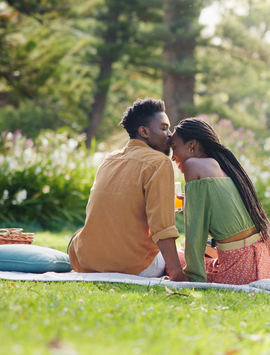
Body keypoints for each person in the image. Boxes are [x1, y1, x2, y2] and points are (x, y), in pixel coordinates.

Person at [68, 98, 187, 281]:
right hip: (133, 266)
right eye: (164, 128)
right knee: (183, 256)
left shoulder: (110, 158)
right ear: (144, 131)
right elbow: (162, 226)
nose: (170, 135)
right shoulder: (159, 162)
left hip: (86, 262)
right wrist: (177, 273)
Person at [169, 118, 270, 284]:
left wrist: (193, 276)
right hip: (266, 262)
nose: (172, 157)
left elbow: (195, 232)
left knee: (173, 259)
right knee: (189, 255)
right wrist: (190, 204)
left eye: (174, 148)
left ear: (192, 144)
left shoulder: (193, 165)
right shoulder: (223, 165)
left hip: (241, 268)